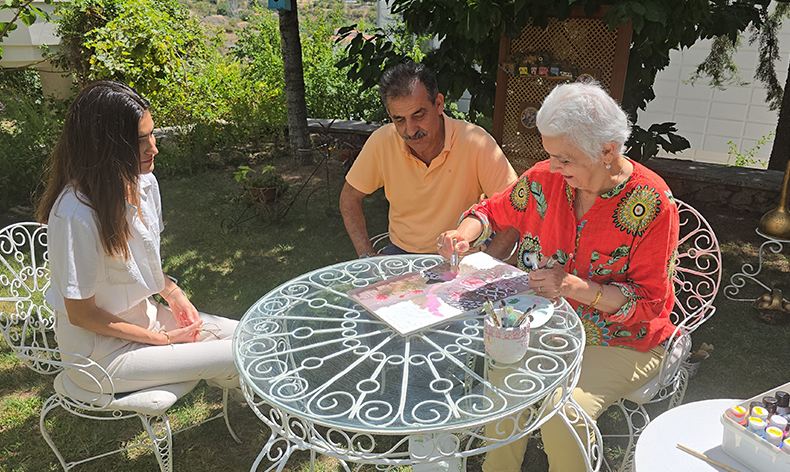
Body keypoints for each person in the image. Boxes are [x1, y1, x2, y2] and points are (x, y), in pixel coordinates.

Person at [437, 82, 680, 472]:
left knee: (564, 412)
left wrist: (573, 287)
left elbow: (649, 304)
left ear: (607, 151)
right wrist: (463, 235)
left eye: (564, 159)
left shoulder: (652, 203)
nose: (552, 167)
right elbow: (491, 211)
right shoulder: (544, 181)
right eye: (550, 155)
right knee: (504, 390)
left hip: (623, 340)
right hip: (547, 326)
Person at [36, 81, 240, 395]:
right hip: (99, 356)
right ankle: (274, 409)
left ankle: (263, 403)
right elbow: (81, 314)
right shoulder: (75, 214)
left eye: (151, 134)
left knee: (248, 336)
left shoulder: (144, 183)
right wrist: (163, 340)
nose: (153, 148)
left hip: (144, 319)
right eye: (139, 141)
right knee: (236, 354)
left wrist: (172, 293)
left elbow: (142, 261)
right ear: (102, 148)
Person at [339, 61, 520, 258]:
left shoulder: (476, 142)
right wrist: (367, 257)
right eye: (399, 119)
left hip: (463, 256)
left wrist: (486, 265)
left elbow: (516, 207)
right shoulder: (383, 141)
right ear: (390, 115)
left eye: (419, 115)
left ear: (439, 104)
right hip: (401, 254)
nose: (410, 130)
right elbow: (349, 198)